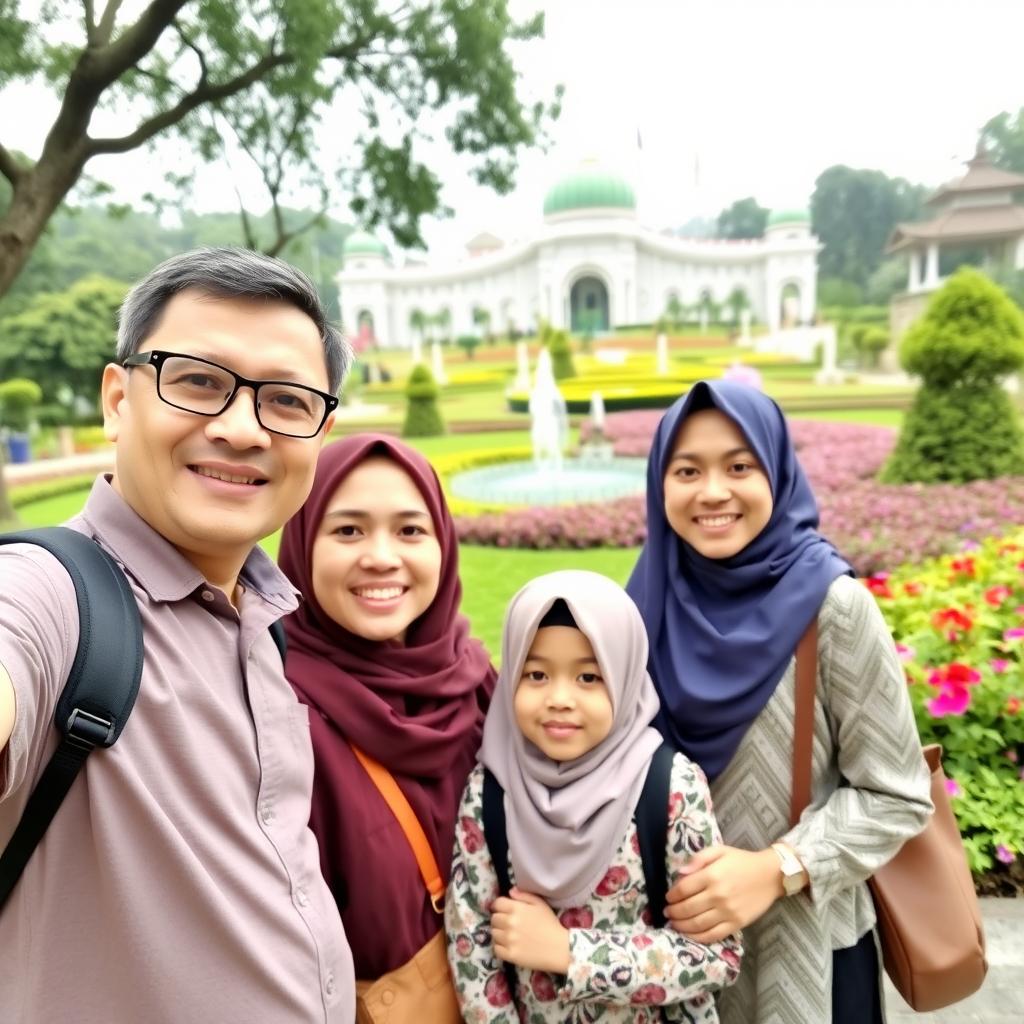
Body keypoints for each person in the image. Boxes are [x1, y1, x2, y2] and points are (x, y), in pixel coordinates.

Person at [0, 248, 356, 1023]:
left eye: (288, 401)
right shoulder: (55, 598)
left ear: (322, 429)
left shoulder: (263, 618)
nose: (240, 429)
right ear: (118, 398)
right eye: (197, 381)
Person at [626, 380, 934, 1024]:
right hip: (670, 960)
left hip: (804, 958)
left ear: (776, 470)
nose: (712, 492)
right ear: (661, 483)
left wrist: (777, 867)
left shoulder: (832, 607)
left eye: (740, 466)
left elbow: (898, 794)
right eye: (687, 470)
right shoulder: (641, 603)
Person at [446, 570, 742, 1023]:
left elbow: (716, 955)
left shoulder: (668, 789)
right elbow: (472, 950)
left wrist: (569, 952)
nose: (560, 698)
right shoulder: (491, 792)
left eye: (588, 676)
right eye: (537, 673)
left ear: (624, 677)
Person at [278, 435, 495, 1016]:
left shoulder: (478, 684)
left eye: (410, 530)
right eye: (347, 530)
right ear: (302, 543)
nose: (381, 556)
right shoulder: (276, 717)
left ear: (443, 544)